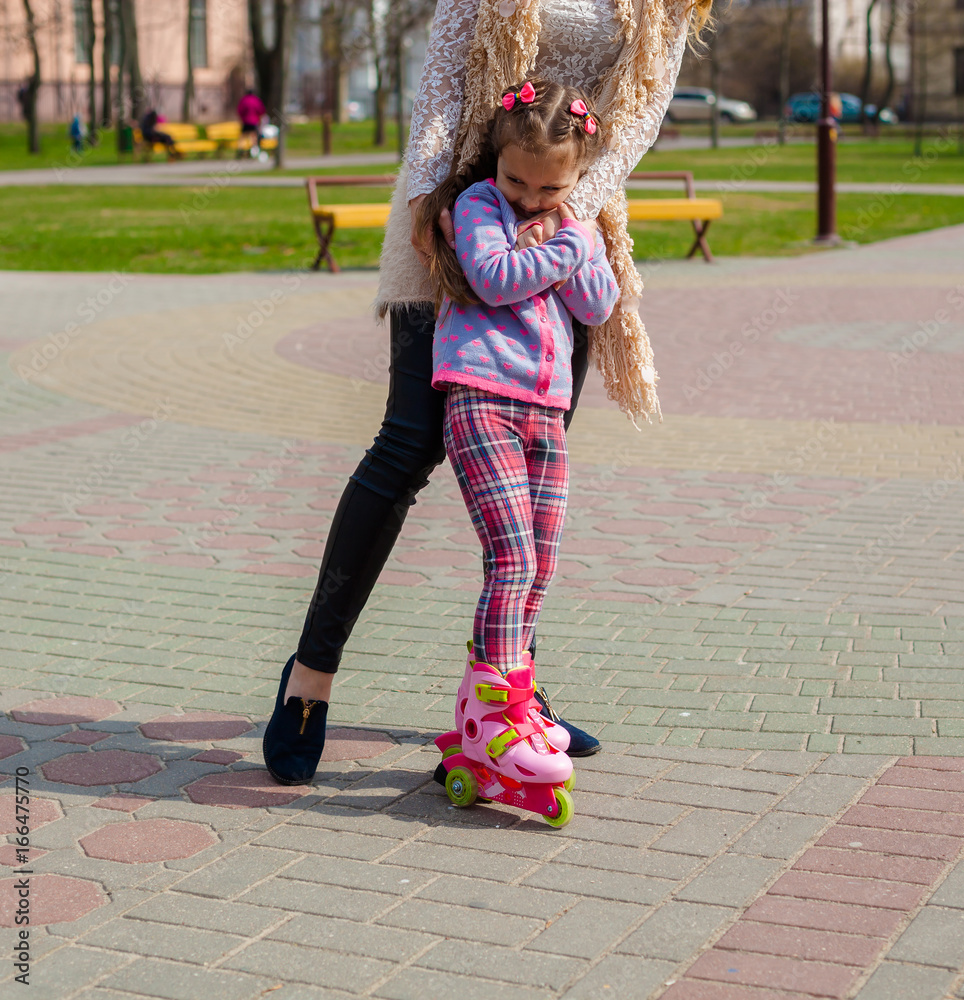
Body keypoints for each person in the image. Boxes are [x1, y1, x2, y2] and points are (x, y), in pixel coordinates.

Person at [262, 0, 712, 787]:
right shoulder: (451, 205)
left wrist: (563, 210)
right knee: (406, 446)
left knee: (533, 489)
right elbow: (440, 87)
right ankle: (311, 679)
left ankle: (506, 697)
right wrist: (432, 205)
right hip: (451, 216)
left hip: (565, 222)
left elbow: (638, 115)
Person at [423, 79, 618, 791]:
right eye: (517, 181)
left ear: (576, 176)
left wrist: (566, 243)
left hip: (545, 410)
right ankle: (497, 714)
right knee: (511, 555)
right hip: (480, 397)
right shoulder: (477, 207)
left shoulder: (572, 224)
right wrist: (565, 253)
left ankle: (508, 699)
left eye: (549, 188)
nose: (529, 200)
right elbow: (495, 276)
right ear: (496, 162)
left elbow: (600, 301)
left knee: (541, 561)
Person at [237, 89, 267, 155]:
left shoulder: (244, 100)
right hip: (253, 121)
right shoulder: (256, 100)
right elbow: (261, 110)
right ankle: (254, 152)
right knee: (254, 137)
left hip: (245, 121)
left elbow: (240, 110)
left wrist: (242, 118)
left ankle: (240, 150)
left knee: (243, 136)